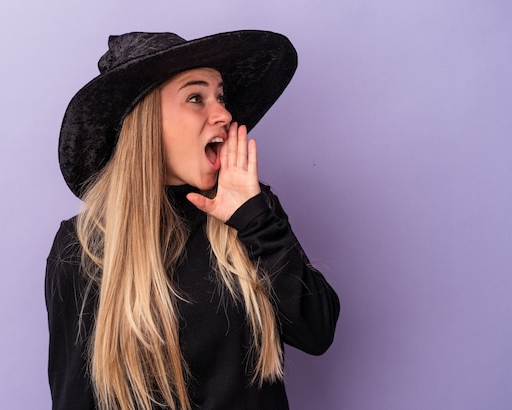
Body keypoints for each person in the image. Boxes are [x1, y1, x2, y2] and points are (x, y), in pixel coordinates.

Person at [46, 30, 340, 410]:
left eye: (220, 97)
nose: (223, 113)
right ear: (146, 122)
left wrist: (254, 219)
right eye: (196, 97)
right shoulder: (82, 248)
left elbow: (317, 333)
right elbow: (74, 400)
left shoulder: (253, 211)